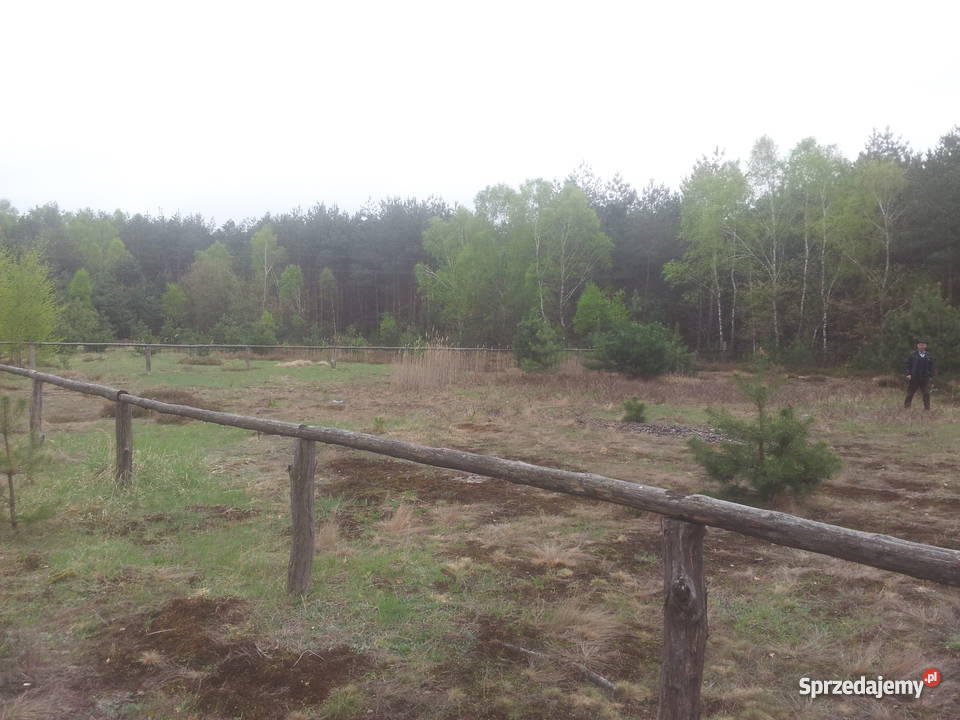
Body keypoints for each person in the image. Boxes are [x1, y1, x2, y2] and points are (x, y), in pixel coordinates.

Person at [904, 341, 934, 410]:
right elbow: (907, 365)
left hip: (924, 378)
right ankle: (907, 407)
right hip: (914, 377)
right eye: (920, 345)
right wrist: (908, 374)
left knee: (926, 393)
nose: (921, 346)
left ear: (925, 346)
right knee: (910, 393)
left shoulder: (929, 356)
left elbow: (931, 366)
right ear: (917, 346)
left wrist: (930, 375)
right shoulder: (912, 355)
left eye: (923, 345)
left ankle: (927, 409)